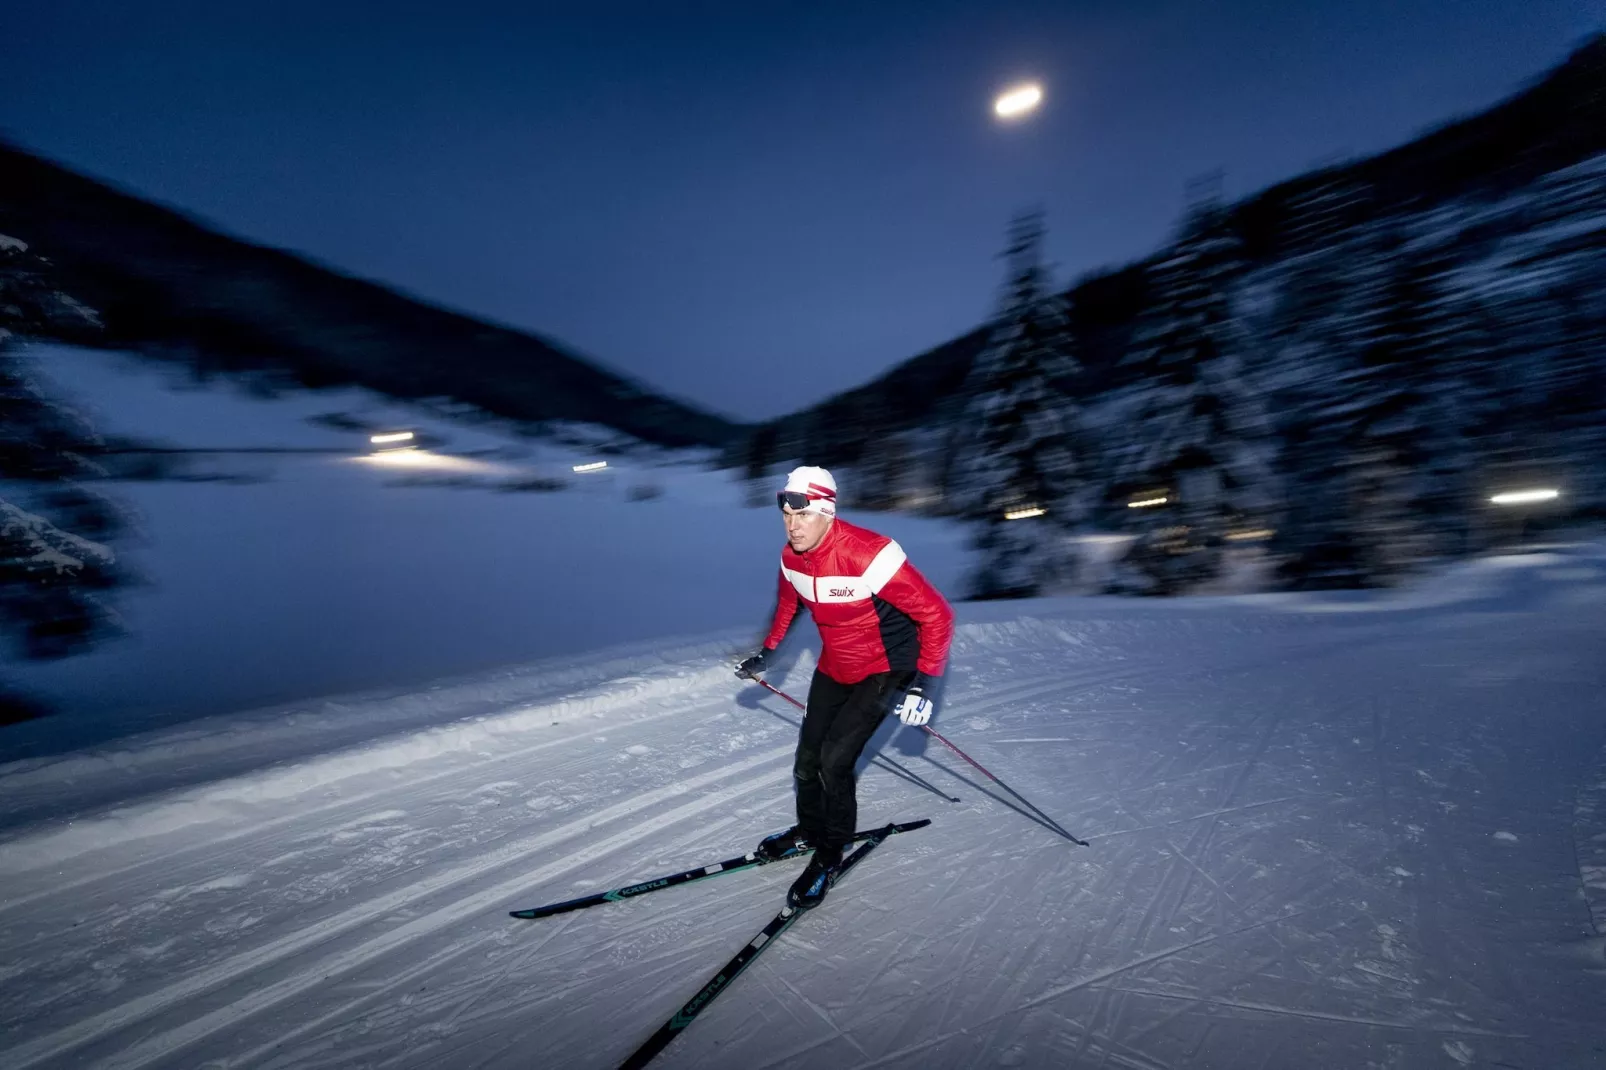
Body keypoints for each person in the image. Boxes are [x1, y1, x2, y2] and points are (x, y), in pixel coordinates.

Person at [735, 465, 954, 909]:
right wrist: (768, 653)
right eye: (786, 515)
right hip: (836, 667)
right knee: (805, 761)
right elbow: (789, 603)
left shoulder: (870, 554)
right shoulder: (792, 557)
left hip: (886, 669)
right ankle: (810, 831)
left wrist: (924, 686)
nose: (792, 524)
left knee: (835, 762)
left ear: (828, 513)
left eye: (804, 515)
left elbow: (937, 615)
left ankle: (830, 855)